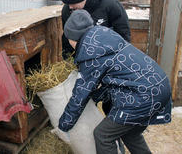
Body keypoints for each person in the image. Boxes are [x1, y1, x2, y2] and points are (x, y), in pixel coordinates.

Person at [54, 9, 172, 154]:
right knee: (130, 133)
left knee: (103, 136)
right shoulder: (104, 37)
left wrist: (63, 126)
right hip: (159, 84)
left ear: (73, 37)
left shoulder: (89, 53)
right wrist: (96, 96)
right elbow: (117, 76)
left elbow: (80, 96)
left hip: (144, 95)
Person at [60, 0, 130, 60]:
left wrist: (119, 57)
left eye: (73, 2)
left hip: (107, 57)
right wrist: (68, 58)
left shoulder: (110, 5)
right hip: (81, 59)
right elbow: (68, 37)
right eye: (68, 3)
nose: (70, 6)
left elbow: (123, 32)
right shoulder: (67, 9)